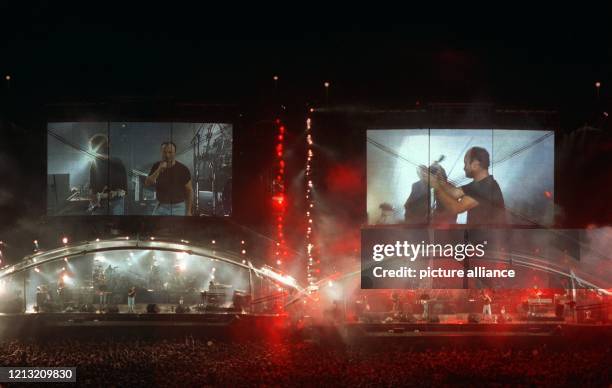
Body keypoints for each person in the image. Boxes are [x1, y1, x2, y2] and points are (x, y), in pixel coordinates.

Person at [420, 147, 506, 225]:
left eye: (465, 163)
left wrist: (436, 186)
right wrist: (440, 179)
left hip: (489, 240)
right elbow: (454, 192)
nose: (464, 168)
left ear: (475, 164)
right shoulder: (478, 185)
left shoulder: (486, 187)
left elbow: (456, 208)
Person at [145, 141, 193, 216]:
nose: (167, 155)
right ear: (161, 152)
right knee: (154, 227)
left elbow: (189, 190)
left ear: (175, 153)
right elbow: (148, 183)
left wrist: (188, 211)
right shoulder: (156, 166)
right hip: (161, 206)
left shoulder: (183, 169)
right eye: (164, 152)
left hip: (178, 207)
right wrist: (159, 170)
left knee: (177, 228)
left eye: (170, 152)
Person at [405, 160, 456, 225]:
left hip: (444, 222)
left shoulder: (448, 187)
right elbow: (409, 203)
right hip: (419, 219)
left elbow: (451, 209)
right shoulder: (417, 185)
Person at [88, 134, 128, 215]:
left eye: (93, 147)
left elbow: (123, 190)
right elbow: (92, 185)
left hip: (116, 203)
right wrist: (93, 198)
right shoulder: (94, 163)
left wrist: (114, 193)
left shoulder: (117, 162)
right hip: (99, 204)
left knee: (116, 225)